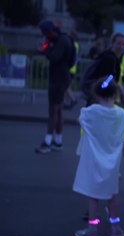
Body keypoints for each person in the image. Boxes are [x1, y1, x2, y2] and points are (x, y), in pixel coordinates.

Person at [73, 75, 124, 236]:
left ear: (96, 95)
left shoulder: (90, 112)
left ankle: (93, 227)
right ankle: (115, 226)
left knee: (93, 195)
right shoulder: (123, 115)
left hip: (94, 160)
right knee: (112, 194)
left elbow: (81, 120)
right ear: (115, 94)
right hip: (113, 161)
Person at [35, 20, 75, 154]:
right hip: (62, 77)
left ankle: (47, 142)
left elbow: (54, 57)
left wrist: (44, 50)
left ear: (50, 31)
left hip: (58, 79)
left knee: (53, 111)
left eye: (46, 34)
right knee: (58, 110)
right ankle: (58, 141)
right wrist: (46, 48)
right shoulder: (63, 39)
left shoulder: (61, 41)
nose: (45, 37)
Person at [81, 33, 124, 106]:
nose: (121, 46)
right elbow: (107, 78)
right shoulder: (110, 58)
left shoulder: (111, 57)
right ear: (113, 43)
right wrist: (102, 93)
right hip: (99, 95)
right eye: (118, 43)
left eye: (123, 44)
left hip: (96, 92)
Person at [64, 30, 80, 110]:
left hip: (69, 68)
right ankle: (66, 102)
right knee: (68, 86)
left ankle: (73, 99)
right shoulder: (76, 44)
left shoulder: (71, 44)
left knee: (65, 86)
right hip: (73, 68)